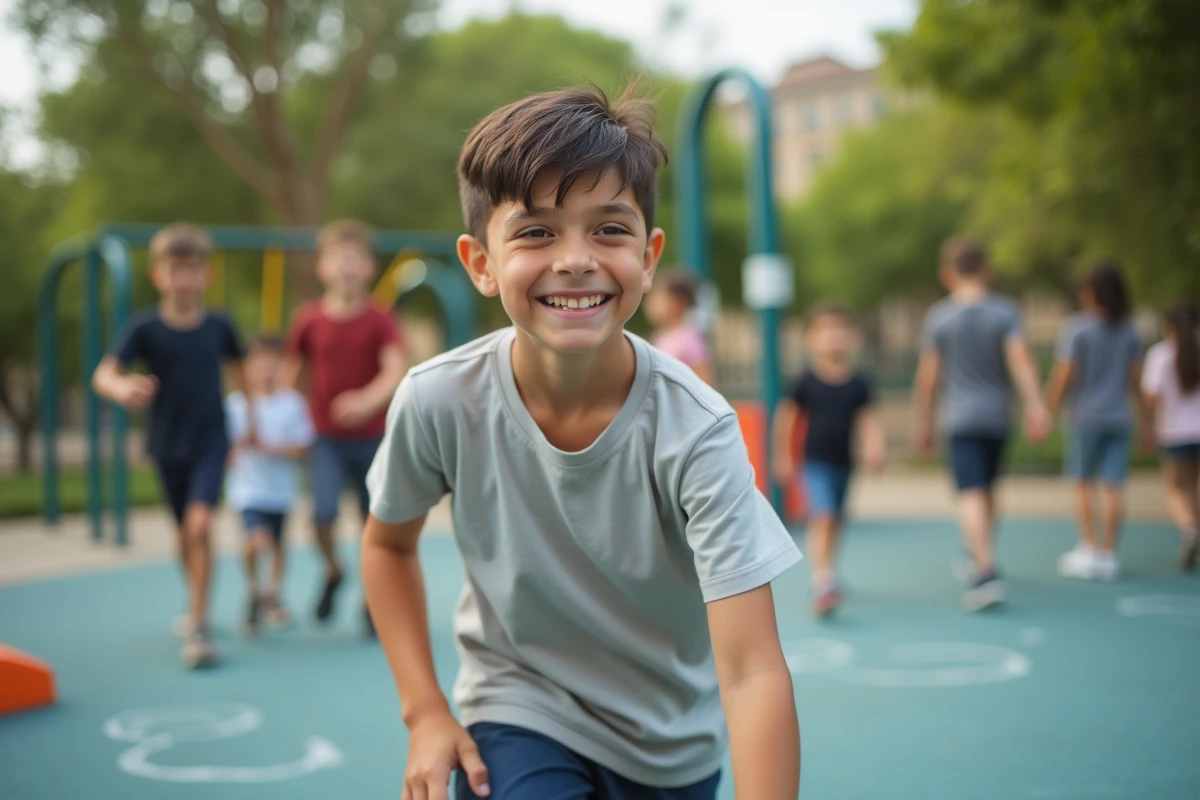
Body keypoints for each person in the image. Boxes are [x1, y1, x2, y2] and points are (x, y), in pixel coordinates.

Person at [362, 85, 802, 800]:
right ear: (480, 262)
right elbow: (386, 545)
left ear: (649, 255)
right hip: (519, 707)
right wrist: (425, 710)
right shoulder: (440, 397)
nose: (574, 259)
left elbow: (753, 671)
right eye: (536, 232)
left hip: (669, 742)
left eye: (608, 230)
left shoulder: (696, 429)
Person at [91, 223, 248, 668]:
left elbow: (241, 375)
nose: (184, 279)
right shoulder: (144, 328)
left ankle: (198, 625)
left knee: (200, 526)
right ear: (159, 274)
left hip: (211, 441)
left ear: (206, 275)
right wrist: (121, 388)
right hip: (165, 446)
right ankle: (195, 597)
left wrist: (250, 426)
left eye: (193, 270)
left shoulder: (220, 325)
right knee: (184, 532)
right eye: (175, 270)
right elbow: (102, 375)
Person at [280, 220, 406, 637]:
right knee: (322, 514)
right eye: (340, 260)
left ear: (369, 268)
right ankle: (335, 570)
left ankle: (373, 597)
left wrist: (365, 400)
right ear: (323, 268)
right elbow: (291, 375)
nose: (348, 268)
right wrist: (283, 418)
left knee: (374, 523)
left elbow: (394, 370)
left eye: (356, 260)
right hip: (325, 440)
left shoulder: (380, 319)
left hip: (373, 439)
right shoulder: (309, 319)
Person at [912, 236, 1050, 612]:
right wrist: (1036, 405)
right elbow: (1020, 359)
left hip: (958, 417)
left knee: (969, 492)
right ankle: (981, 550)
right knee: (987, 488)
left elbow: (928, 377)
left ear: (947, 274)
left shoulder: (939, 317)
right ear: (987, 270)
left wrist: (923, 422)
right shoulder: (1005, 313)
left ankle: (985, 569)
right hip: (997, 416)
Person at [772, 304, 885, 618]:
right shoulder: (806, 382)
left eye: (840, 332)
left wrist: (875, 447)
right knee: (823, 514)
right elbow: (788, 418)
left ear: (851, 339)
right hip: (814, 462)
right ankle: (821, 580)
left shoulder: (858, 382)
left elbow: (868, 419)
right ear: (813, 340)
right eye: (827, 333)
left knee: (835, 518)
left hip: (844, 462)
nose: (834, 338)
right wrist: (783, 456)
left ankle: (829, 571)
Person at [1045, 263, 1147, 581]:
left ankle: (1090, 547)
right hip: (1119, 417)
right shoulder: (1129, 330)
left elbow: (1065, 375)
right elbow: (1136, 381)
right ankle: (1108, 552)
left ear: (1090, 293)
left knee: (1083, 482)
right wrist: (1150, 420)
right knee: (1114, 485)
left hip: (1085, 417)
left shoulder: (1078, 328)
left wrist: (1047, 409)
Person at [225, 335, 316, 635]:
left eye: (272, 361)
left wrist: (268, 447)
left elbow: (303, 447)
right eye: (258, 361)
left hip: (281, 491)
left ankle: (271, 593)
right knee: (256, 539)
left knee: (277, 545)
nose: (265, 367)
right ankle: (253, 589)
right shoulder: (236, 405)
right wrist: (236, 449)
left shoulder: (292, 404)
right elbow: (225, 446)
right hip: (248, 489)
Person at [1141, 300, 1200, 570]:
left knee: (1176, 489)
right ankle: (1194, 532)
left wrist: (1147, 425)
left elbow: (1151, 397)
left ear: (1168, 327)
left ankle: (1189, 530)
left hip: (1175, 433)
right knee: (1193, 489)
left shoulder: (1160, 355)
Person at [644, 268, 714, 384]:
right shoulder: (661, 336)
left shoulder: (690, 338)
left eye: (657, 297)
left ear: (679, 302)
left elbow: (706, 382)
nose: (650, 304)